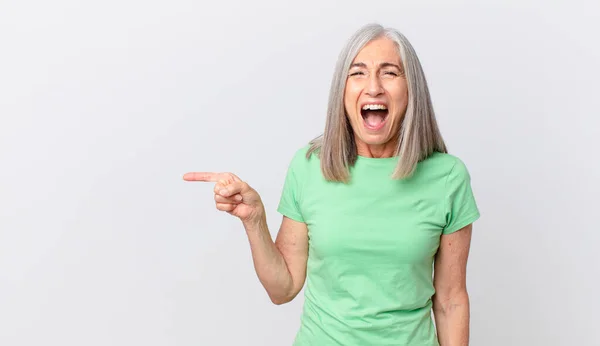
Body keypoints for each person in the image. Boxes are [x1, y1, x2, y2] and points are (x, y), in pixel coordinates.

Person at [184, 23, 480, 346]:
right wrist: (254, 221)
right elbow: (282, 289)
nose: (373, 88)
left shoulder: (448, 178)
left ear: (412, 90)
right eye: (358, 73)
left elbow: (451, 301)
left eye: (390, 73)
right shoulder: (309, 167)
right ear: (342, 90)